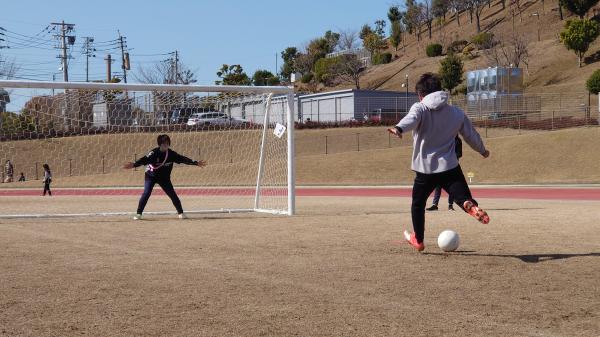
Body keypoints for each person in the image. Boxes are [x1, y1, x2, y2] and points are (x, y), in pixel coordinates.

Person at [388, 73, 490, 252]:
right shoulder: (456, 112)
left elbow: (410, 119)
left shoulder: (420, 108)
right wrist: (482, 150)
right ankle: (469, 204)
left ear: (421, 95)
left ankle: (418, 240)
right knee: (461, 196)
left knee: (418, 204)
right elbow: (471, 135)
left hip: (425, 171)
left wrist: (398, 128)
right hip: (449, 166)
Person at [123, 134, 206, 220]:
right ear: (159, 144)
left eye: (167, 143)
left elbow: (182, 159)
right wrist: (134, 165)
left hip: (164, 178)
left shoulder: (171, 154)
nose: (166, 145)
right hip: (151, 176)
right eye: (163, 143)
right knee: (146, 193)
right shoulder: (153, 153)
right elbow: (144, 160)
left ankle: (181, 213)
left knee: (172, 194)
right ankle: (138, 214)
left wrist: (196, 163)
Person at [426, 136, 463, 211]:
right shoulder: (446, 138)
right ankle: (435, 205)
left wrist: (450, 158)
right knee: (438, 185)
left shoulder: (458, 141)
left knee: (452, 187)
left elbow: (459, 154)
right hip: (442, 165)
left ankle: (450, 205)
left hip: (452, 166)